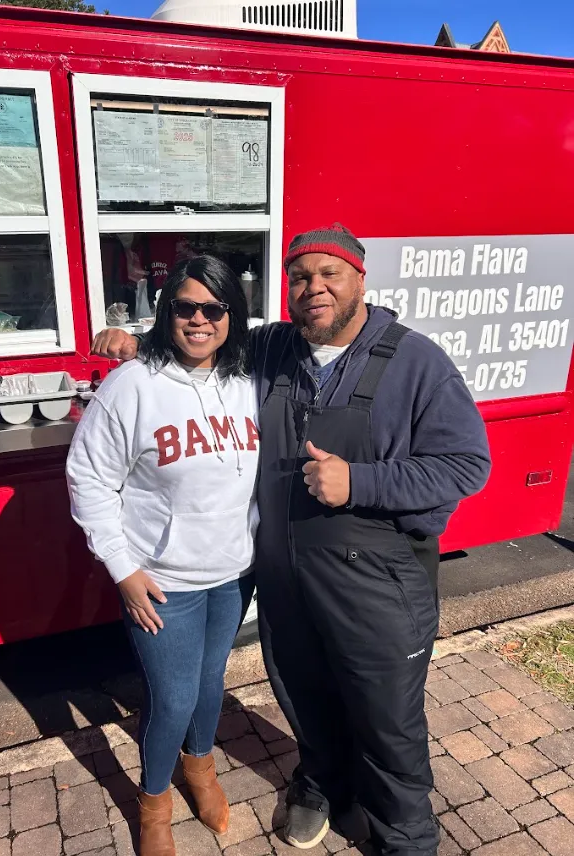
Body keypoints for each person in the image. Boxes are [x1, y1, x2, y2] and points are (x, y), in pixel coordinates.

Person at [91, 224, 491, 856]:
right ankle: (321, 785)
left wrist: (360, 481)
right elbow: (202, 331)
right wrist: (137, 340)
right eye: (301, 277)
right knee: (304, 695)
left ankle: (405, 837)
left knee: (387, 721)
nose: (315, 288)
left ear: (361, 278)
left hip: (378, 583)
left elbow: (467, 465)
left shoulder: (417, 361)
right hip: (287, 578)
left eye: (330, 274)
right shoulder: (276, 348)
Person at [67, 255, 260, 856]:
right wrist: (123, 571)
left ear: (233, 315)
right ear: (166, 312)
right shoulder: (134, 385)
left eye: (214, 308)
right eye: (185, 307)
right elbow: (88, 478)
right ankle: (154, 802)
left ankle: (199, 768)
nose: (199, 320)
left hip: (233, 574)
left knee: (209, 682)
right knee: (171, 697)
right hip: (161, 581)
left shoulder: (246, 376)